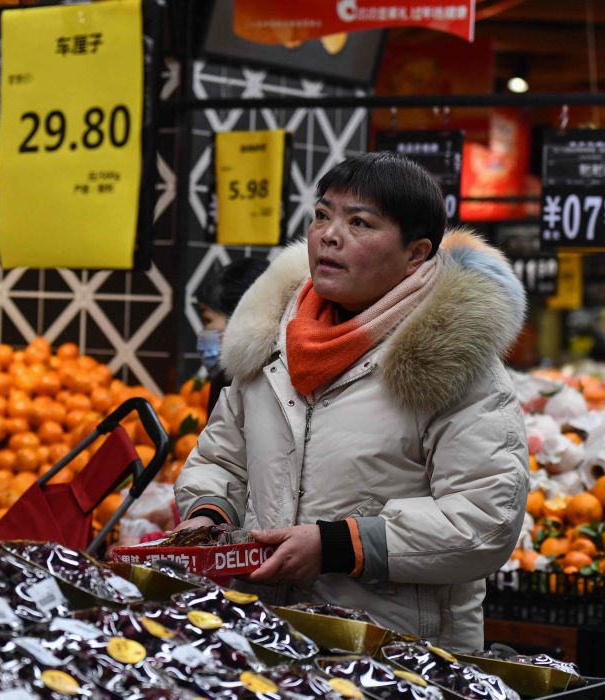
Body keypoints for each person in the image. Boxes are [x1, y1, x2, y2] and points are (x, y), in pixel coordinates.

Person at [173, 152, 529, 650]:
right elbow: (221, 460)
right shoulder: (273, 340)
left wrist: (340, 545)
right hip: (264, 638)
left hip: (397, 654)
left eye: (359, 222)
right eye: (322, 215)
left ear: (415, 253)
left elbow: (485, 520)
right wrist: (208, 515)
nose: (329, 235)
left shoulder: (455, 365)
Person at [195, 257, 270, 415]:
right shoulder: (221, 384)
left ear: (238, 319)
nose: (203, 331)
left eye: (208, 320)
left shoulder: (275, 387)